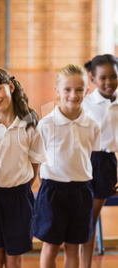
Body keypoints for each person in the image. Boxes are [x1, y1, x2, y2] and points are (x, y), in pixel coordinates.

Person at [0, 67, 45, 268]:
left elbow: (34, 164)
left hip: (19, 198)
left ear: (10, 86)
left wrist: (20, 188)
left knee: (15, 260)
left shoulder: (30, 126)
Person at [34, 64, 100, 268]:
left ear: (87, 91)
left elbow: (88, 156)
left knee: (73, 247)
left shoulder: (92, 125)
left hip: (81, 191)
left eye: (79, 89)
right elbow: (37, 161)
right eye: (67, 89)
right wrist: (47, 186)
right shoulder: (46, 124)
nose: (74, 94)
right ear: (57, 91)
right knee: (51, 247)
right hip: (53, 190)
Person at [80, 54, 118, 268]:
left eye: (113, 76)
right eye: (103, 77)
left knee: (89, 218)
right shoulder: (86, 104)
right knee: (86, 219)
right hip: (86, 161)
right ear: (92, 79)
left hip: (107, 164)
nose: (109, 82)